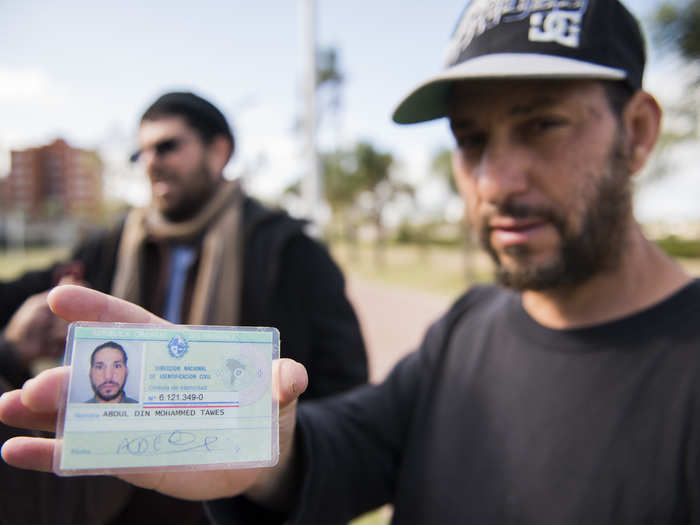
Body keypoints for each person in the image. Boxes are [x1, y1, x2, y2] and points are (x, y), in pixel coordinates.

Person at [3, 0, 700, 523]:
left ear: (637, 133)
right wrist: (256, 448)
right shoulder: (468, 323)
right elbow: (354, 440)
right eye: (470, 137)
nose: (494, 180)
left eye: (542, 124)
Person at [0, 92, 367, 524]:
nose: (150, 161)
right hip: (117, 497)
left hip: (234, 502)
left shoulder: (289, 252)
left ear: (219, 151)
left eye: (168, 146)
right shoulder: (111, 244)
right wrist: (18, 340)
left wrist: (277, 454)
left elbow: (347, 388)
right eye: (142, 151)